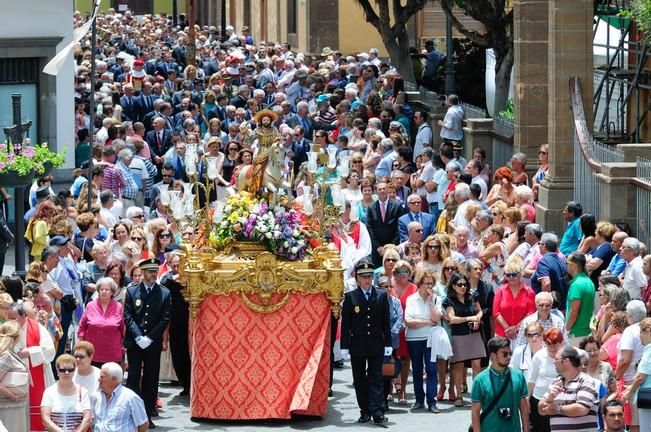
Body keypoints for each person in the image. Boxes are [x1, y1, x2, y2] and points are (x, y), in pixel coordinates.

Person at [340, 259, 392, 425]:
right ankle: (364, 410)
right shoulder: (351, 297)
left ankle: (378, 411)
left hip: (376, 343)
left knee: (376, 378)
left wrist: (388, 343)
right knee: (360, 378)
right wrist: (344, 346)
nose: (367, 280)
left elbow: (386, 321)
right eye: (363, 277)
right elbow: (346, 323)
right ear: (357, 278)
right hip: (358, 344)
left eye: (369, 276)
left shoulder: (381, 295)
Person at [124, 258, 172, 429]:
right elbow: (128, 317)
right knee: (133, 377)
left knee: (151, 379)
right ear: (142, 272)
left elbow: (165, 317)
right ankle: (130, 413)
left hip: (152, 342)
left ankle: (147, 414)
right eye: (150, 271)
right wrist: (138, 337)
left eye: (155, 270)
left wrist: (150, 338)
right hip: (135, 342)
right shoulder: (132, 291)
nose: (153, 274)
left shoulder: (164, 293)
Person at [443, 272, 485, 407]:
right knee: (458, 366)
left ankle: (477, 394)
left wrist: (477, 318)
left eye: (465, 284)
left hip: (474, 334)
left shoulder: (472, 296)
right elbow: (452, 319)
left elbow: (480, 311)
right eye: (459, 284)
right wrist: (469, 318)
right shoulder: (449, 300)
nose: (463, 287)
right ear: (453, 286)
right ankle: (459, 395)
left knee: (477, 365)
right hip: (459, 335)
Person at [470, 336, 530, 432]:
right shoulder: (480, 380)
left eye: (510, 353)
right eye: (505, 354)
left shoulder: (518, 376)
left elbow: (523, 407)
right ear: (493, 356)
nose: (509, 357)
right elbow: (475, 412)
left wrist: (526, 430)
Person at [12, 301, 55, 431]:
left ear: (24, 316)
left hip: (35, 377)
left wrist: (30, 352)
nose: (11, 322)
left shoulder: (37, 328)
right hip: (12, 381)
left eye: (14, 319)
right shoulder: (5, 329)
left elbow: (50, 351)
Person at [404, 269, 442, 413]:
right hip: (414, 339)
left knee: (432, 370)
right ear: (419, 284)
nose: (429, 287)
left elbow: (437, 319)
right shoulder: (411, 299)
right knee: (417, 369)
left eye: (431, 284)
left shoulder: (436, 299)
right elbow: (409, 321)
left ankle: (432, 401)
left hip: (430, 339)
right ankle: (419, 400)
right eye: (426, 283)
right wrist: (427, 321)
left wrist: (431, 302)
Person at [537, 346, 600, 432]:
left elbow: (582, 409)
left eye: (556, 359)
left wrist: (557, 409)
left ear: (566, 361)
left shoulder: (586, 381)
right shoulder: (556, 381)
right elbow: (541, 410)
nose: (554, 362)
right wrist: (550, 397)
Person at [77, 277, 125, 366]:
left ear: (112, 292)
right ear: (98, 291)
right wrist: (80, 347)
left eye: (107, 289)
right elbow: (81, 329)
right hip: (92, 354)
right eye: (101, 289)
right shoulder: (90, 306)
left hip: (113, 354)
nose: (104, 291)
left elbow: (123, 330)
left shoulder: (118, 307)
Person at [41, 354, 92, 432]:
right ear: (57, 370)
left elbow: (87, 419)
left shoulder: (83, 391)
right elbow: (46, 419)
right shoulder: (49, 391)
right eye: (63, 370)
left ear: (74, 370)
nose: (67, 372)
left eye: (70, 369)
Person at [528, 328, 565, 432]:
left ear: (561, 343)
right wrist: (527, 400)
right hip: (540, 399)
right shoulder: (539, 356)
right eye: (549, 345)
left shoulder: (568, 355)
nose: (552, 348)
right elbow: (532, 380)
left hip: (560, 401)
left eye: (555, 345)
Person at [93, 362, 149, 432]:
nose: (98, 379)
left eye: (102, 377)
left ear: (113, 379)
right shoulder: (98, 396)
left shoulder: (130, 398)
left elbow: (143, 424)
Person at [492, 254, 536, 341]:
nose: (511, 277)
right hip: (502, 334)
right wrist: (508, 329)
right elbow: (496, 313)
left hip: (522, 334)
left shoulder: (529, 292)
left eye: (514, 274)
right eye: (508, 275)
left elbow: (531, 314)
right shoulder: (500, 290)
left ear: (520, 274)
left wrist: (516, 328)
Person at [621, 317, 651, 431]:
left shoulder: (650, 349)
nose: (640, 337)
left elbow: (640, 377)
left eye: (641, 333)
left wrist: (631, 392)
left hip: (647, 397)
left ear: (648, 332)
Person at [0, 321, 28, 432]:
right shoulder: (6, 355)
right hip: (8, 408)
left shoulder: (11, 353)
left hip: (16, 407)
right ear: (16, 336)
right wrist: (12, 395)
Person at [565, 252, 595, 346]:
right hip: (586, 331)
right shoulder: (588, 281)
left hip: (576, 333)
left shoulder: (576, 285)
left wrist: (567, 329)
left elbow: (574, 311)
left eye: (567, 263)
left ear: (574, 265)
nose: (566, 265)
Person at [72, 341, 101, 409]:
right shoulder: (69, 373)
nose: (77, 359)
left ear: (91, 357)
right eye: (76, 356)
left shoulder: (100, 375)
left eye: (81, 357)